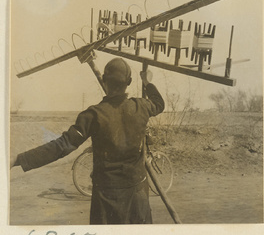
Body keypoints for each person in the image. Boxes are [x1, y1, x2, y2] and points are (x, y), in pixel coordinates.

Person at [11, 57, 165, 224]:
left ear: (105, 81)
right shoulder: (141, 107)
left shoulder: (93, 115)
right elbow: (159, 103)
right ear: (129, 82)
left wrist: (19, 159)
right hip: (137, 193)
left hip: (107, 196)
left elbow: (62, 146)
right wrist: (147, 82)